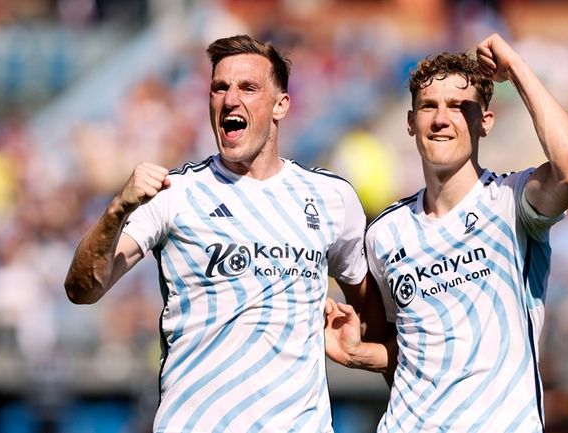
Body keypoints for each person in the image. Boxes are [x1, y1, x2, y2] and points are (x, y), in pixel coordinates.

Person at [64, 34, 372, 433]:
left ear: (281, 105)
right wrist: (117, 209)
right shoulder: (174, 195)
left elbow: (370, 319)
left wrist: (359, 349)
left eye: (248, 87)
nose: (230, 99)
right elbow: (82, 288)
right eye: (220, 88)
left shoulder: (331, 197)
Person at [324, 33, 568, 432]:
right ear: (411, 122)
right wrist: (362, 354)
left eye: (457, 106)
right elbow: (417, 354)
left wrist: (516, 68)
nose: (440, 118)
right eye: (428, 106)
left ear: (484, 121)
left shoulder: (510, 203)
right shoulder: (384, 234)